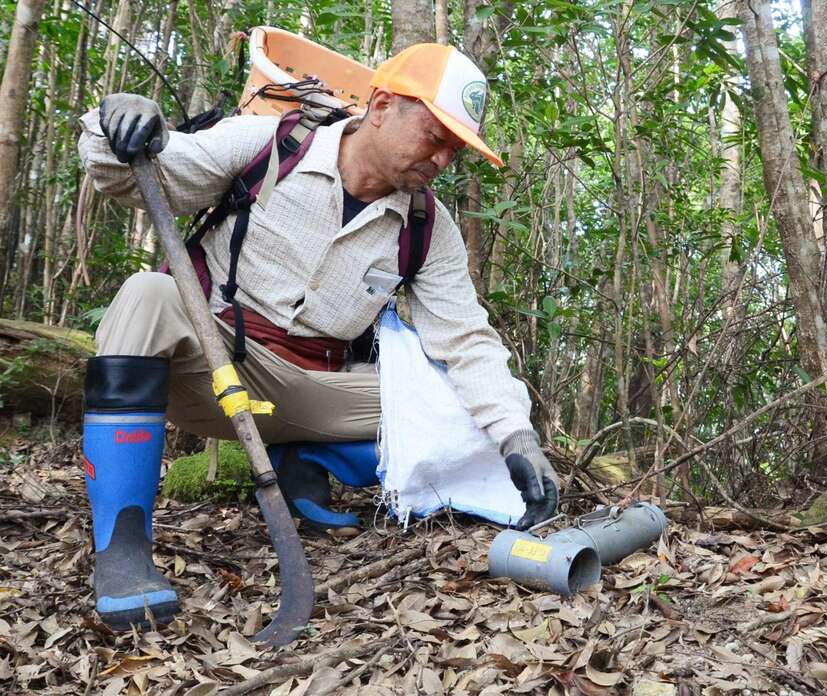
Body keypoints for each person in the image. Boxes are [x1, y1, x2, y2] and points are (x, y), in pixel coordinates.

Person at [77, 43, 558, 630]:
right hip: (213, 365)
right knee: (145, 295)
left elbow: (466, 340)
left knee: (466, 409)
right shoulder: (269, 143)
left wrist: (515, 436)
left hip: (314, 389)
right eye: (435, 136)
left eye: (454, 150)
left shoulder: (429, 227)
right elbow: (145, 177)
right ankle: (123, 548)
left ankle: (303, 457)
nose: (441, 160)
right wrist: (118, 127)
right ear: (381, 105)